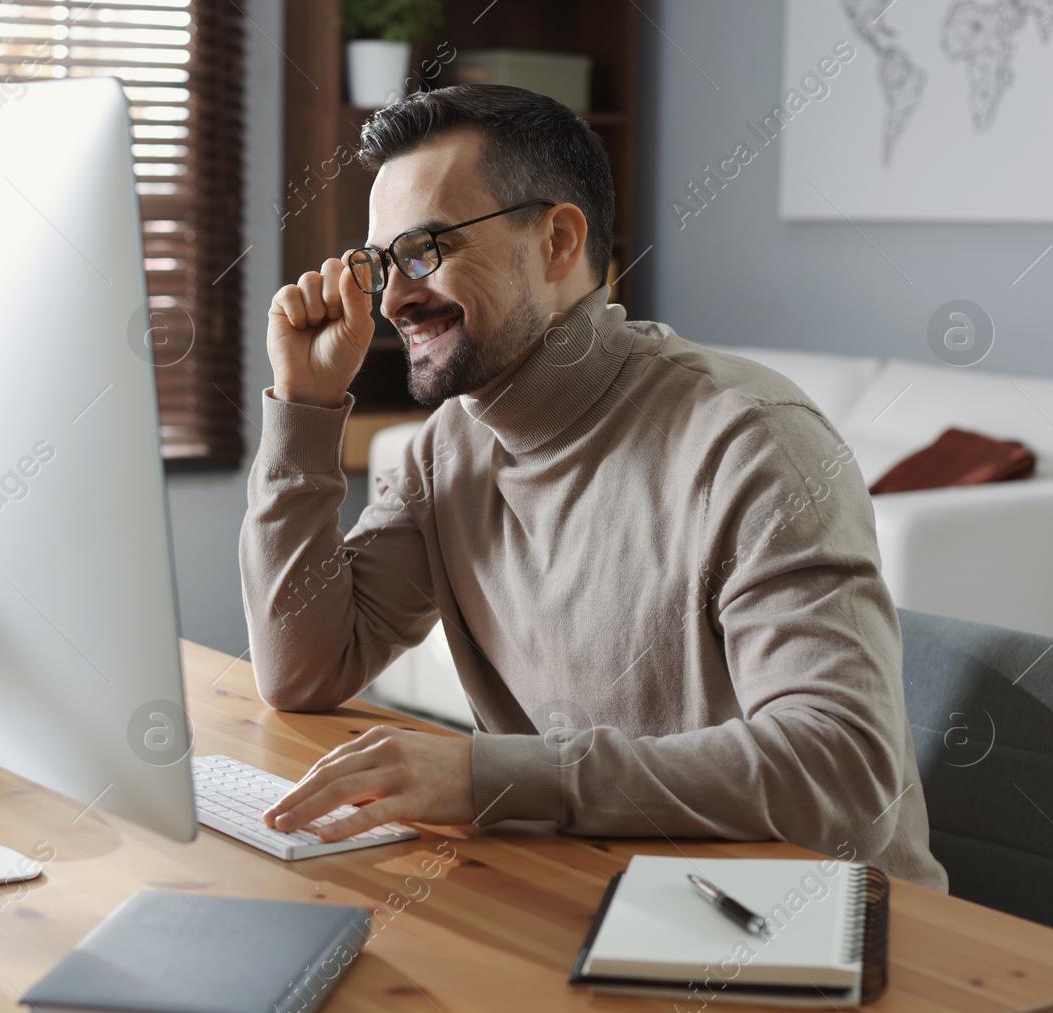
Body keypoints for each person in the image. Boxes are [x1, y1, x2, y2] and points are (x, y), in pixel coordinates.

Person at [241, 84, 946, 891]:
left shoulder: (753, 440)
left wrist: (489, 777)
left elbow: (843, 773)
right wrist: (304, 406)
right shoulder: (448, 453)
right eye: (379, 263)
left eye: (425, 249)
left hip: (820, 934)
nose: (393, 296)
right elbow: (305, 669)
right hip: (596, 894)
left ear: (558, 241)